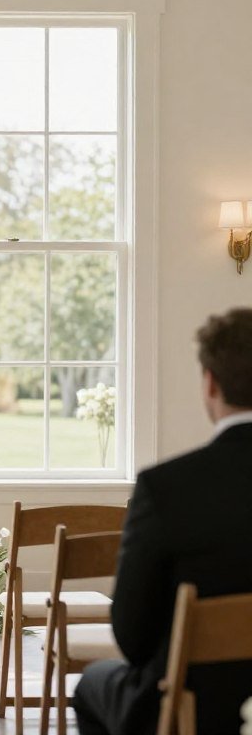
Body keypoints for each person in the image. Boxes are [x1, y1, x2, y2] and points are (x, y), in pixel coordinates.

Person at [74, 308, 252, 735]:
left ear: (209, 382)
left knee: (91, 686)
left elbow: (132, 637)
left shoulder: (167, 488)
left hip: (196, 709)